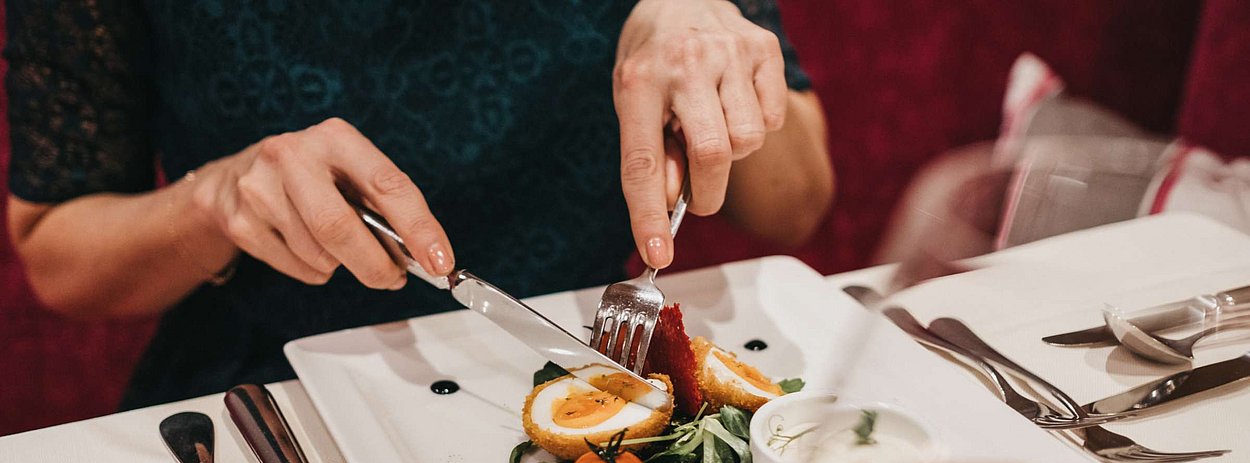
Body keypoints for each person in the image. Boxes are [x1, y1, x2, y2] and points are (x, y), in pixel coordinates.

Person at [5, 0, 833, 408]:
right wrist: (215, 202)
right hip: (267, 395)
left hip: (575, 347)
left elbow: (797, 204)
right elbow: (58, 255)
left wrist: (715, 40)